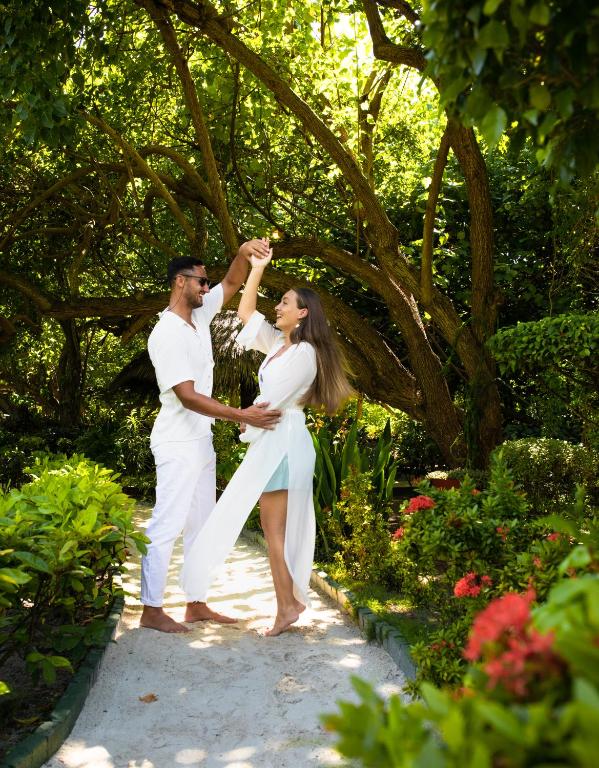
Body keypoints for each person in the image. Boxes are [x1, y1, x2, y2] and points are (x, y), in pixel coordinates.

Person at [182, 247, 353, 636]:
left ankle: (288, 606)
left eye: (285, 302)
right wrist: (257, 268)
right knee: (272, 526)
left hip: (284, 443)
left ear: (303, 313)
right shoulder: (278, 344)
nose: (277, 307)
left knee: (274, 528)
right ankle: (288, 603)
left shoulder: (306, 353)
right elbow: (245, 312)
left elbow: (274, 403)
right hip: (272, 440)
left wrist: (248, 422)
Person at [140, 240, 281, 634]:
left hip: (201, 441)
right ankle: (151, 609)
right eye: (201, 282)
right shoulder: (166, 333)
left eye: (207, 282)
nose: (207, 287)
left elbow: (233, 282)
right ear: (180, 282)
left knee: (201, 526)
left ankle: (196, 603)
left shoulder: (199, 318)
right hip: (176, 443)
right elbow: (187, 396)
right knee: (167, 524)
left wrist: (244, 252)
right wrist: (241, 414)